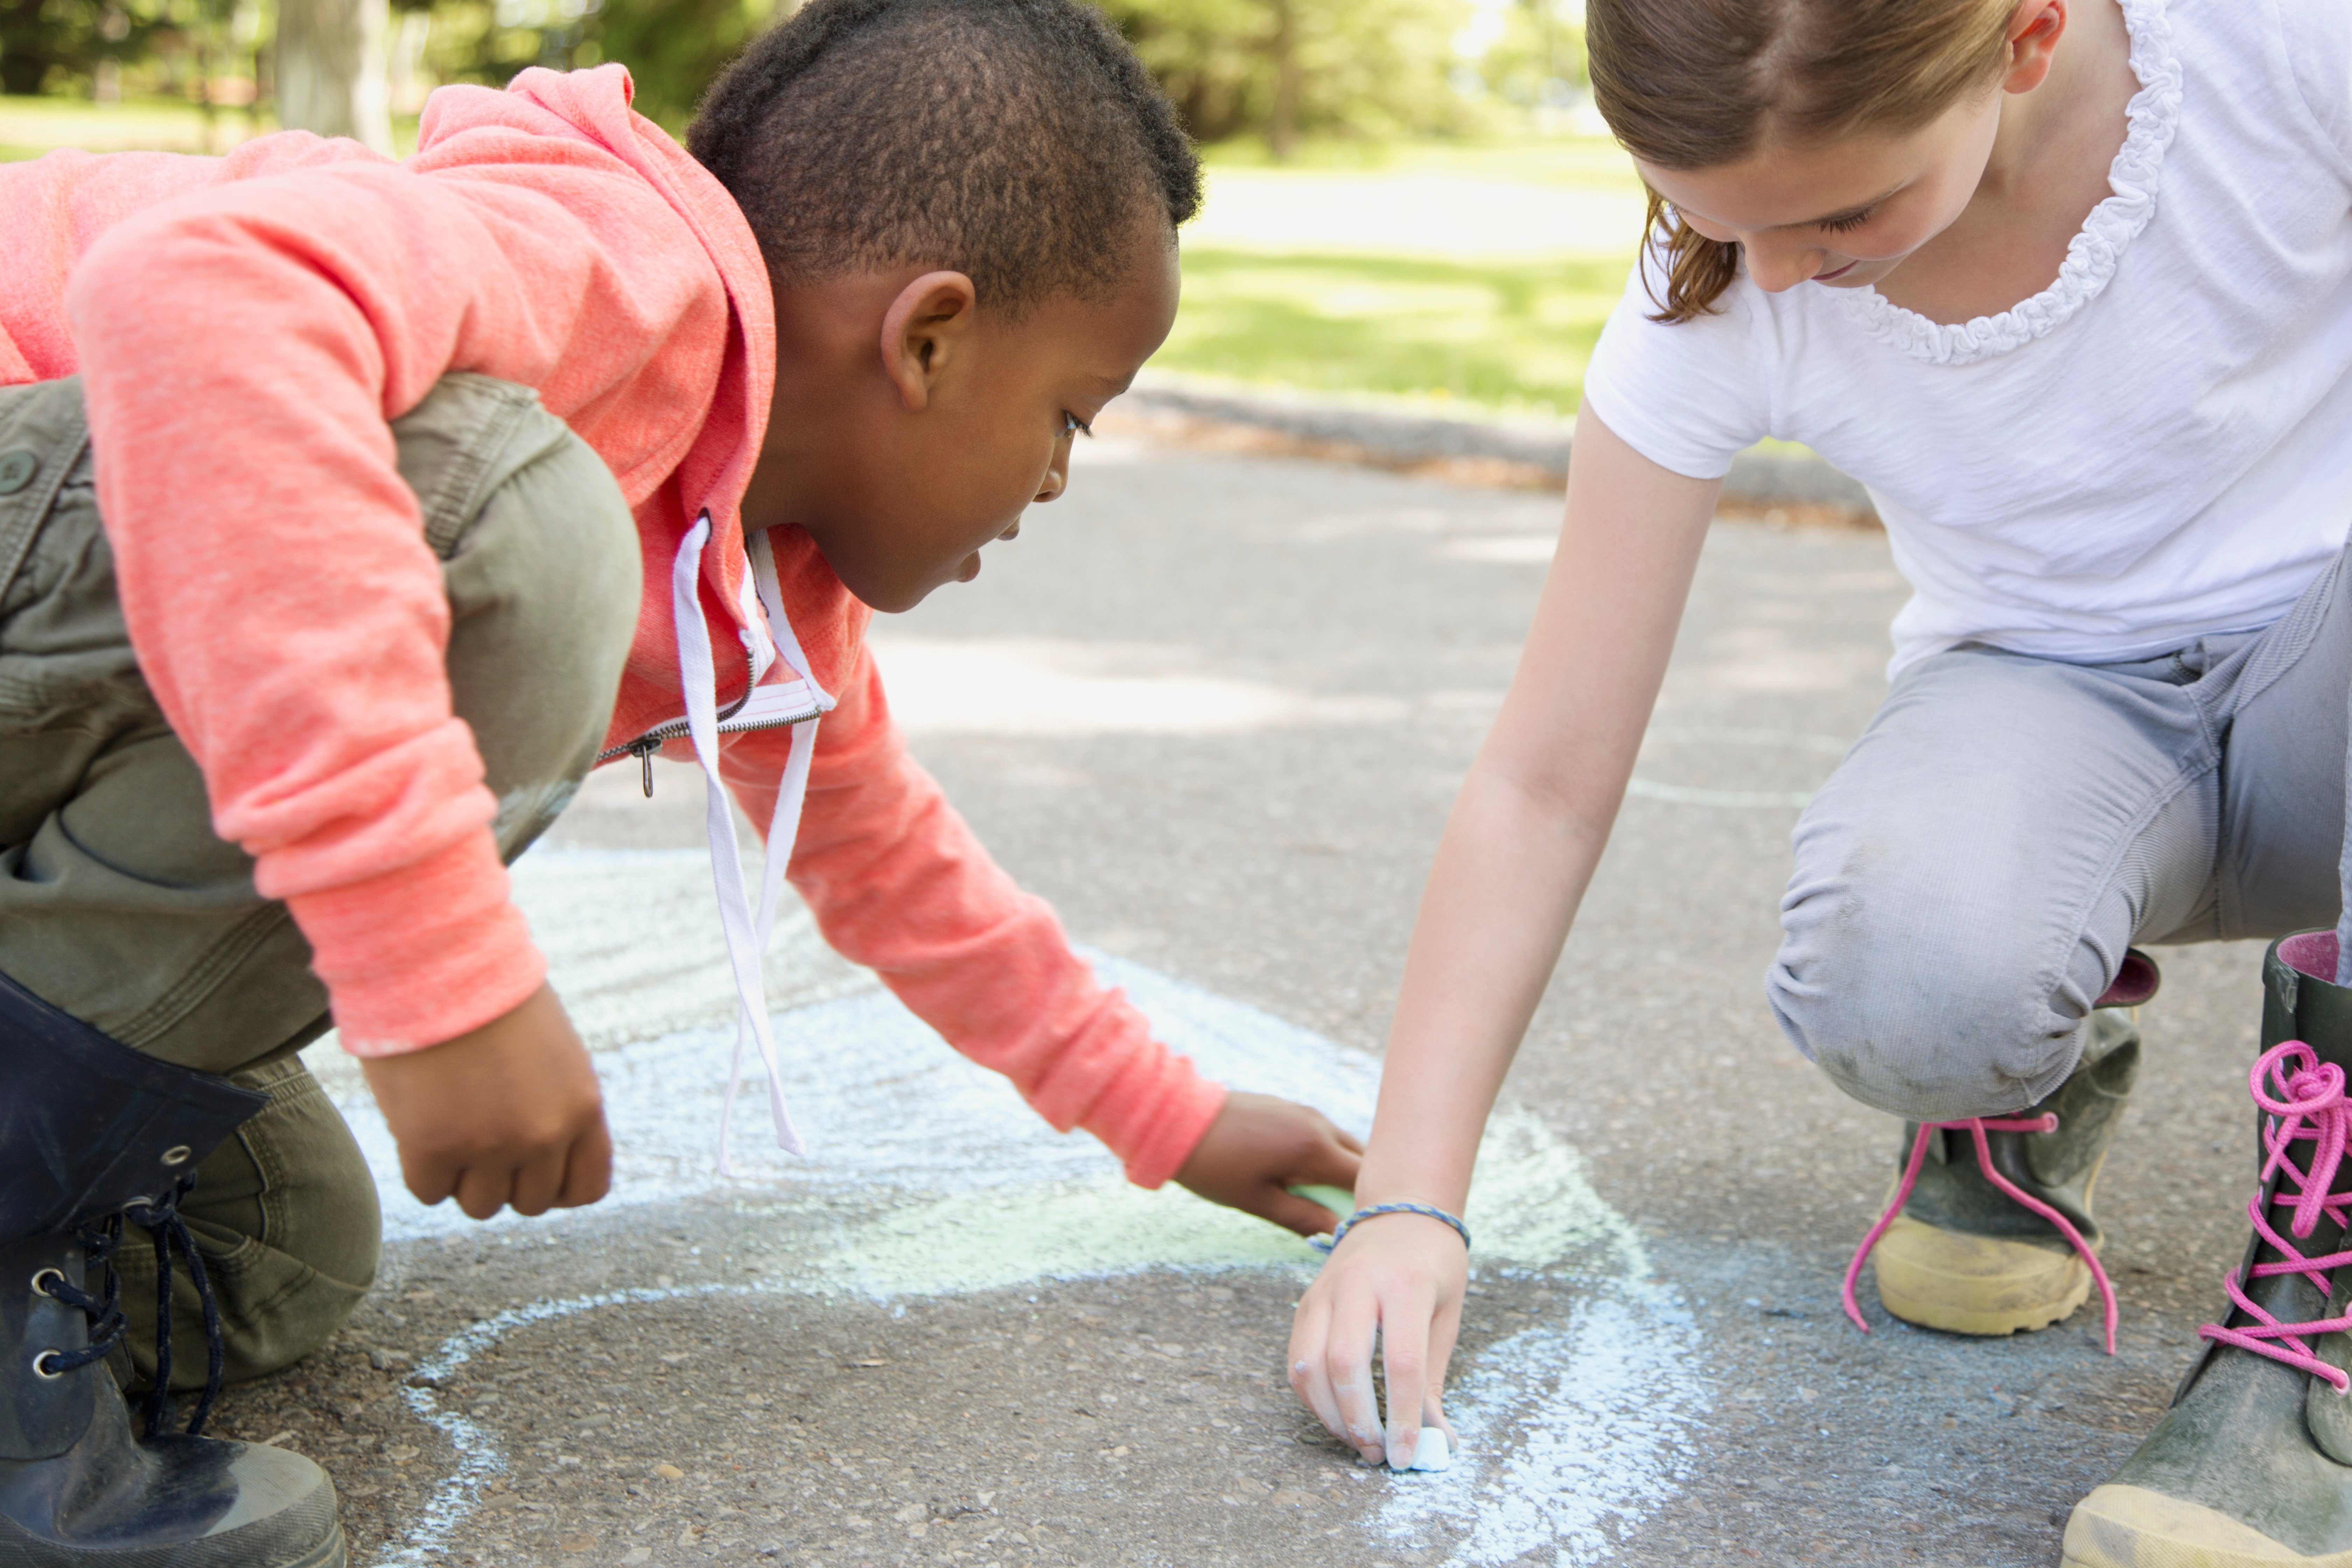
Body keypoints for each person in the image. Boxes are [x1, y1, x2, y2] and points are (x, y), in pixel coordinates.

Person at [0, 2, 1365, 1563]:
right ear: (929, 338)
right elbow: (194, 289)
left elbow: (901, 870)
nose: (1059, 477)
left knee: (272, 1243)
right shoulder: (603, 265)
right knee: (511, 530)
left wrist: (1173, 1118)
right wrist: (438, 976)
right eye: (1069, 416)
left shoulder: (762, 590)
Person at [1285, 0, 2352, 1559]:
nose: (1778, 270)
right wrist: (1406, 1200)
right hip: (2067, 703)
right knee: (1903, 968)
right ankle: (2026, 1074)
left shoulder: (2278, 47)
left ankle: (2319, 1326)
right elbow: (1544, 779)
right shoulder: (1726, 283)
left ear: (2027, 36)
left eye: (1847, 210)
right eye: (1716, 217)